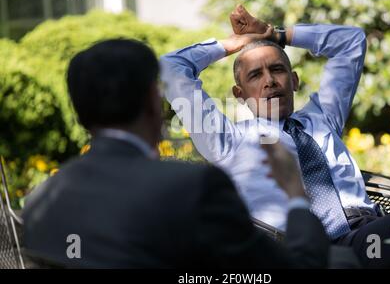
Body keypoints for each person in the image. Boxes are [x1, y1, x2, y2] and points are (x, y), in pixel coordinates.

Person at [160, 5, 390, 268]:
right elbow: (171, 68)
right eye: (255, 76)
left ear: (294, 80)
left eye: (277, 70)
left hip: (369, 236)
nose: (270, 81)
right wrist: (232, 44)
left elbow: (351, 42)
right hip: (308, 251)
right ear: (239, 95)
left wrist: (276, 35)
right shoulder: (226, 140)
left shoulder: (322, 118)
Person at [22, 39, 330, 268]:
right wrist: (296, 196)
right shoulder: (194, 187)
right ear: (154, 104)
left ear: (80, 116)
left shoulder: (40, 202)